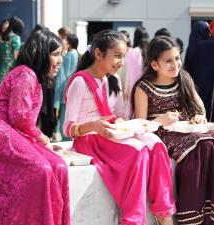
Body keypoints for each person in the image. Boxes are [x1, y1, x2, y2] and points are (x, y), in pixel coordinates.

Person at [63, 30, 175, 225]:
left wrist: (124, 123)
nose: (121, 63)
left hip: (111, 133)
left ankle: (163, 212)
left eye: (123, 56)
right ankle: (133, 218)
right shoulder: (80, 82)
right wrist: (93, 126)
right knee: (139, 152)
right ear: (98, 54)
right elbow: (68, 128)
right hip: (89, 138)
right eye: (117, 56)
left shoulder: (112, 81)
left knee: (156, 146)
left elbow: (121, 115)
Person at [130, 35, 214, 225]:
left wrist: (199, 116)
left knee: (209, 143)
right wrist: (160, 120)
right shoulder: (143, 88)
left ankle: (208, 213)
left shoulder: (184, 78)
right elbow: (140, 125)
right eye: (168, 60)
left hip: (189, 130)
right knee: (201, 147)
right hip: (161, 133)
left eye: (177, 58)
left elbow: (199, 108)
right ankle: (192, 215)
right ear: (154, 65)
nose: (175, 64)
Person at [0, 29, 70, 225]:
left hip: (14, 131)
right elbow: (19, 117)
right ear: (41, 53)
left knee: (59, 166)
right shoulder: (25, 74)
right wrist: (43, 139)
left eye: (61, 54)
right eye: (56, 54)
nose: (60, 61)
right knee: (40, 169)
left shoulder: (33, 77)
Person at [184, 20, 214, 122]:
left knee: (197, 106)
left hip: (195, 83)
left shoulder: (191, 46)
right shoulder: (211, 44)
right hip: (210, 81)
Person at [54, 33, 79, 141]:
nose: (62, 41)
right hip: (67, 87)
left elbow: (65, 74)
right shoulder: (72, 53)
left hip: (66, 88)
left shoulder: (70, 55)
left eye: (65, 39)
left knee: (65, 117)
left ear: (69, 43)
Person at [0, 16, 24, 95]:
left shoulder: (1, 38)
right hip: (11, 74)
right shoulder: (16, 38)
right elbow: (17, 57)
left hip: (0, 73)